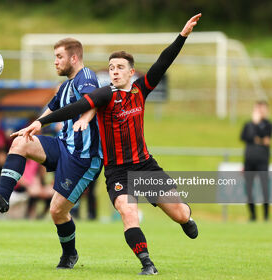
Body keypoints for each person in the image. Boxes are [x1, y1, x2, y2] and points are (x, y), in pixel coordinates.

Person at [16, 14, 202, 275]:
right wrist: (41, 122)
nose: (114, 71)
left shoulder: (141, 89)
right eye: (111, 67)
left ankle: (186, 218)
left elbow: (163, 61)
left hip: (145, 167)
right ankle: (147, 263)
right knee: (128, 212)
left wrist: (182, 35)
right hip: (118, 172)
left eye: (119, 67)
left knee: (180, 214)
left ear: (131, 72)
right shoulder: (104, 95)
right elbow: (76, 107)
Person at [0, 38, 103, 269]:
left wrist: (84, 119)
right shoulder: (64, 87)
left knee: (57, 211)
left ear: (74, 58)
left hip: (83, 158)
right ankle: (3, 197)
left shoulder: (87, 77)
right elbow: (51, 108)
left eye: (59, 57)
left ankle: (69, 255)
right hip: (63, 146)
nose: (55, 62)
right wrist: (35, 125)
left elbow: (92, 101)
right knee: (22, 142)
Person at [241, 100, 271, 221]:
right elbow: (245, 137)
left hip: (262, 161)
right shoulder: (248, 124)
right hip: (249, 161)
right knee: (248, 189)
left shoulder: (268, 124)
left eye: (261, 109)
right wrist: (258, 137)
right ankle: (252, 216)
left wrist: (257, 127)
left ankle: (265, 216)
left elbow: (266, 139)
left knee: (265, 188)